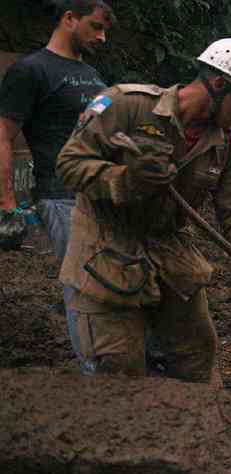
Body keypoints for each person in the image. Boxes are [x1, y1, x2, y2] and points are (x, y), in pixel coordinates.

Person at [55, 38, 231, 382]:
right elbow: (68, 164)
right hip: (107, 251)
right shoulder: (125, 104)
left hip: (171, 253)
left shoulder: (224, 144)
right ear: (218, 84)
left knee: (198, 354)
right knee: (120, 368)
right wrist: (125, 179)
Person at [0, 0, 114, 361]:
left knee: (112, 279)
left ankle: (116, 361)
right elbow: (2, 136)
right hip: (61, 196)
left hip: (103, 193)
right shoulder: (32, 71)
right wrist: (7, 205)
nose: (103, 37)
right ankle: (94, 371)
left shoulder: (95, 76)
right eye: (95, 26)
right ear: (69, 19)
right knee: (83, 286)